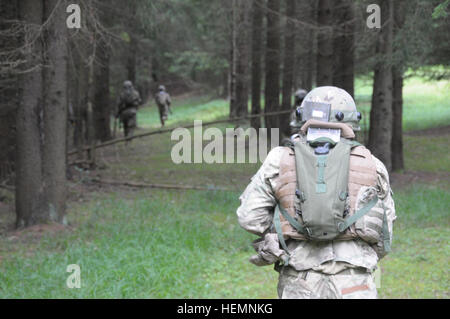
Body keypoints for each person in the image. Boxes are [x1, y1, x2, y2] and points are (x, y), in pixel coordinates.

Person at [236, 86, 396, 299]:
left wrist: (282, 233)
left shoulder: (279, 159)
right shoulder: (372, 164)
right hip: (354, 279)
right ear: (350, 121)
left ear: (303, 118)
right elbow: (385, 235)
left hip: (300, 276)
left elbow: (249, 217)